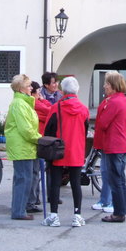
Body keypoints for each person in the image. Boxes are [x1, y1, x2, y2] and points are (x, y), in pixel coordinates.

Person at [42, 76, 89, 227]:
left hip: (59, 149)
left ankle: (54, 216)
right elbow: (85, 129)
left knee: (55, 182)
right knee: (75, 183)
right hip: (76, 149)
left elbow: (48, 130)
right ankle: (77, 215)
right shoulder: (84, 109)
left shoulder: (56, 108)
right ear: (77, 90)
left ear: (62, 91)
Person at [95, 71, 126, 223]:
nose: (104, 86)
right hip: (121, 143)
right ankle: (121, 210)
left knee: (115, 180)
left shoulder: (114, 102)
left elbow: (103, 123)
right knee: (120, 179)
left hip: (114, 144)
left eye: (107, 84)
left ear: (113, 85)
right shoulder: (123, 100)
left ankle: (118, 213)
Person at [5, 74, 41, 220]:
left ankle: (19, 210)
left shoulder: (22, 103)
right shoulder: (20, 104)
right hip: (22, 146)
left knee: (22, 179)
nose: (31, 88)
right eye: (28, 86)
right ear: (21, 89)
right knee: (24, 179)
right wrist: (39, 139)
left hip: (23, 146)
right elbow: (26, 129)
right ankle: (19, 211)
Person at [26, 81, 49, 214]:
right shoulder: (35, 104)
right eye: (38, 92)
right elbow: (50, 109)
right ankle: (32, 201)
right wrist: (43, 101)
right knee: (34, 172)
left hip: (38, 138)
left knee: (35, 171)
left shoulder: (35, 103)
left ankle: (34, 198)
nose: (40, 94)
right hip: (37, 139)